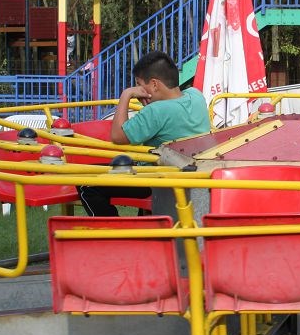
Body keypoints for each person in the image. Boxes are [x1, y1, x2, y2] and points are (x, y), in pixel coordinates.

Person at [78, 51, 210, 217]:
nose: (139, 91)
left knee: (86, 183)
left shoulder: (157, 111)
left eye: (140, 85)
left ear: (154, 85)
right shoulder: (196, 96)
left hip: (155, 178)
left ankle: (112, 235)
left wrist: (126, 95)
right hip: (189, 173)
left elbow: (117, 136)